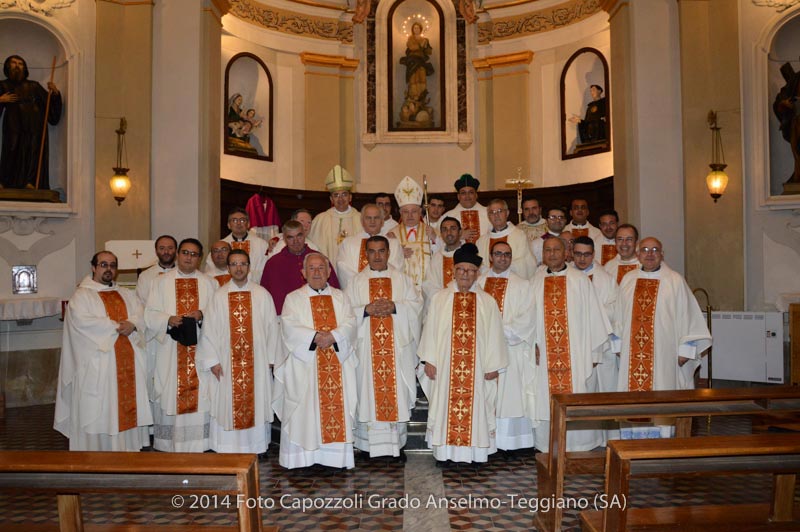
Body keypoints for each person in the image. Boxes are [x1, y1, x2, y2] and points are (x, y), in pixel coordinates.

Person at [418, 243, 508, 464]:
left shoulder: (487, 301)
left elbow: (496, 334)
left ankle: (474, 453)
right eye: (461, 269)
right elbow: (430, 329)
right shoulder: (440, 298)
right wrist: (429, 359)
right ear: (454, 271)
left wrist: (492, 365)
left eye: (470, 270)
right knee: (444, 404)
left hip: (478, 369)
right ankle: (445, 452)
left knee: (478, 406)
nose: (465, 274)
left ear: (477, 273)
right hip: (446, 367)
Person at [55, 251, 152, 450]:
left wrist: (133, 323)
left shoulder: (126, 292)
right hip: (98, 362)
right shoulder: (82, 295)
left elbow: (140, 312)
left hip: (127, 361)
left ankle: (126, 447)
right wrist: (116, 327)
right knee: (100, 405)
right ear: (93, 267)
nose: (109, 269)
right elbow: (82, 322)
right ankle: (97, 450)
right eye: (104, 264)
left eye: (113, 265)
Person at [274, 253, 358, 469]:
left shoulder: (341, 297)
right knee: (304, 410)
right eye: (312, 268)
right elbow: (288, 326)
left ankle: (333, 458)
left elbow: (350, 323)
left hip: (336, 363)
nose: (317, 272)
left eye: (322, 267)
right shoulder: (293, 298)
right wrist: (314, 337)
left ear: (330, 272)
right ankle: (302, 459)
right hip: (304, 367)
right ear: (303, 273)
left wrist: (334, 336)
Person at [530, 237, 610, 452]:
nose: (553, 254)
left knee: (578, 390)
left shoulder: (580, 280)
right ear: (543, 254)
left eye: (557, 249)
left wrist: (593, 353)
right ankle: (548, 443)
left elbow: (594, 318)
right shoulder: (535, 281)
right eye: (548, 250)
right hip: (545, 354)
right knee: (544, 395)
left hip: (575, 353)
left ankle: (581, 443)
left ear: (566, 253)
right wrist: (532, 345)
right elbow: (526, 319)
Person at [345, 236, 422, 459]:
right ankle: (367, 445)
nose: (377, 256)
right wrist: (365, 310)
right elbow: (346, 314)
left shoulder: (403, 279)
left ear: (388, 253)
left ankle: (396, 445)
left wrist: (396, 307)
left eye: (381, 251)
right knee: (367, 393)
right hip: (367, 352)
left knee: (395, 394)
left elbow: (416, 306)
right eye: (372, 251)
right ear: (366, 254)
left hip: (396, 351)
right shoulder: (355, 283)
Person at [196, 249, 280, 454]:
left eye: (243, 264)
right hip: (227, 364)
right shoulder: (219, 296)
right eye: (234, 264)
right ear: (228, 267)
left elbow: (272, 327)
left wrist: (270, 358)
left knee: (257, 402)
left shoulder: (262, 294)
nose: (239, 268)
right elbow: (209, 331)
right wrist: (212, 360)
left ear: (249, 267)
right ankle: (227, 447)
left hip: (257, 364)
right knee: (227, 403)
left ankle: (256, 447)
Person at [145, 238, 217, 452]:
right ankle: (170, 441)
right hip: (170, 349)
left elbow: (219, 315)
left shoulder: (209, 283)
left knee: (201, 392)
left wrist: (202, 314)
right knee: (171, 390)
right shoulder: (160, 282)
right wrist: (167, 319)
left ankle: (200, 441)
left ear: (200, 258)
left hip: (201, 348)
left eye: (194, 254)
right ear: (178, 254)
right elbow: (149, 314)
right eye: (185, 252)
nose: (189, 257)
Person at [613, 237, 712, 392]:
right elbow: (618, 315)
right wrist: (619, 346)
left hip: (665, 351)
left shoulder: (675, 280)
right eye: (645, 250)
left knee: (664, 386)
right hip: (632, 352)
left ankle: (663, 417)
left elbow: (689, 317)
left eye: (655, 250)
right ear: (638, 254)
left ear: (662, 254)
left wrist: (685, 351)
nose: (650, 254)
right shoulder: (628, 279)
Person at [477, 241, 536, 455]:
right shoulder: (479, 282)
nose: (503, 258)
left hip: (512, 349)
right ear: (490, 256)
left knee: (512, 395)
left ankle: (513, 443)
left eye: (507, 254)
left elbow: (528, 317)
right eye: (498, 254)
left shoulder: (522, 284)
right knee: (487, 395)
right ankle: (489, 441)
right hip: (483, 350)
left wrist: (500, 333)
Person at [0, 55, 62, 189]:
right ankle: (5, 182)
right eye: (14, 63)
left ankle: (31, 182)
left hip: (35, 124)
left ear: (25, 68)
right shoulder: (3, 85)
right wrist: (0, 100)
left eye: (20, 63)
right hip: (13, 123)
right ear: (7, 66)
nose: (17, 66)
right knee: (11, 149)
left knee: (33, 151)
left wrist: (55, 94)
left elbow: (49, 107)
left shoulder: (34, 86)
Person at [261, 220, 340, 315]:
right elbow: (264, 297)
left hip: (318, 314)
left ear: (304, 236)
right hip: (285, 318)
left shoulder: (320, 259)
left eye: (299, 236)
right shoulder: (272, 264)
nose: (296, 241)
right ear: (284, 239)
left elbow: (335, 291)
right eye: (290, 237)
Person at [135, 235, 178, 405]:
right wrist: (163, 321)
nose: (166, 252)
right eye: (162, 248)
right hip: (156, 335)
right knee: (156, 376)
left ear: (176, 250)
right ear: (156, 251)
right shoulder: (146, 276)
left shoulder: (183, 273)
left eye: (170, 248)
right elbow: (142, 306)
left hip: (178, 335)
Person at [572, 236, 618, 394]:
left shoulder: (606, 279)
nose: (582, 258)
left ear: (593, 254)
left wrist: (590, 315)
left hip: (602, 341)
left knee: (605, 385)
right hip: (576, 342)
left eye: (587, 254)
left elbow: (615, 308)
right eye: (578, 254)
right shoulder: (566, 277)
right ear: (572, 254)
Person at [336, 204, 404, 290]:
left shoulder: (393, 243)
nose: (372, 221)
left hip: (387, 290)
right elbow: (343, 268)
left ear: (382, 221)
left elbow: (396, 269)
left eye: (376, 218)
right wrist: (364, 285)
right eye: (368, 218)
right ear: (362, 221)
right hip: (358, 292)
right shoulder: (348, 243)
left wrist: (379, 285)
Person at [307, 165, 362, 264]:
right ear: (331, 199)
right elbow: (306, 241)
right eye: (336, 195)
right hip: (328, 273)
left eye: (344, 194)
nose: (340, 199)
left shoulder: (361, 219)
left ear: (350, 197)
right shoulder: (320, 220)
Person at [388, 176, 434, 289]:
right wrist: (397, 253)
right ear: (400, 213)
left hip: (427, 287)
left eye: (414, 211)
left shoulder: (431, 232)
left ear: (420, 212)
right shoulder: (392, 235)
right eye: (405, 212)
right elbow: (385, 262)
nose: (410, 215)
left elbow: (440, 257)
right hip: (402, 287)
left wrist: (435, 240)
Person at [475, 198, 537, 279]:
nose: (496, 215)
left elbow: (526, 263)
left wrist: (499, 270)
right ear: (488, 216)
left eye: (500, 211)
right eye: (492, 212)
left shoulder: (519, 236)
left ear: (507, 213)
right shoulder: (481, 241)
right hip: (488, 283)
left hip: (513, 283)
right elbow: (479, 267)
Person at [209, 208, 269, 283]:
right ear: (228, 225)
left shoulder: (262, 244)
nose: (238, 223)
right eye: (234, 220)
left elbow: (267, 270)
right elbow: (211, 270)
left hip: (255, 286)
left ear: (248, 224)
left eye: (242, 220)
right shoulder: (220, 246)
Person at [399, 22, 434, 124]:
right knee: (413, 79)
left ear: (421, 29)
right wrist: (421, 44)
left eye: (418, 28)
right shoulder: (411, 39)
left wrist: (426, 45)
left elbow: (429, 52)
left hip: (421, 63)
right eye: (414, 28)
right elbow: (411, 47)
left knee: (422, 78)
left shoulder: (425, 40)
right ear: (412, 30)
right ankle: (413, 97)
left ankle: (420, 97)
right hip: (413, 62)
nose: (416, 29)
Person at [422, 216, 462, 302]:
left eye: (453, 229)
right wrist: (445, 299)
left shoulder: (469, 255)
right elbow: (429, 285)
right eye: (445, 229)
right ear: (441, 234)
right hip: (442, 305)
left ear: (460, 232)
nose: (449, 232)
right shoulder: (437, 257)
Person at [442, 174, 489, 244]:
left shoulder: (489, 213)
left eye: (471, 192)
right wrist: (458, 237)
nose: (467, 196)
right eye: (463, 193)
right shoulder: (448, 217)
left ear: (476, 195)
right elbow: (440, 242)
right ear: (458, 196)